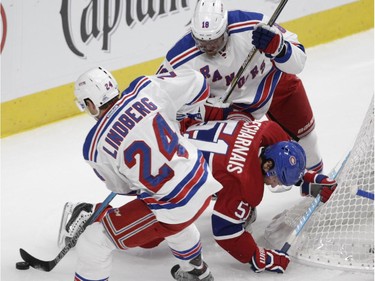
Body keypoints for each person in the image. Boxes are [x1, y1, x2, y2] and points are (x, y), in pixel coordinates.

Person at [66, 66, 224, 281]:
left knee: (93, 242)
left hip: (175, 205)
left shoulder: (94, 146)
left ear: (90, 104)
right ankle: (195, 270)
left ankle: (195, 270)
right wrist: (177, 114)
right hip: (203, 180)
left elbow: (122, 188)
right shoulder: (144, 88)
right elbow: (198, 82)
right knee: (169, 214)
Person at [156, 0, 324, 174]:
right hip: (234, 109)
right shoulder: (179, 59)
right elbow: (159, 99)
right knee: (240, 158)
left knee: (307, 139)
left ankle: (317, 179)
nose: (209, 47)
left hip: (273, 83)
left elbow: (299, 62)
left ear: (226, 28)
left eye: (215, 40)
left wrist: (280, 49)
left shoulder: (252, 24)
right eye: (202, 42)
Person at [182, 118, 337, 274]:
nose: (275, 185)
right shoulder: (242, 184)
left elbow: (282, 153)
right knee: (166, 227)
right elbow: (225, 231)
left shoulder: (270, 133)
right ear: (267, 165)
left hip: (180, 134)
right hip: (167, 174)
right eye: (276, 179)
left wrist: (305, 178)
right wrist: (258, 256)